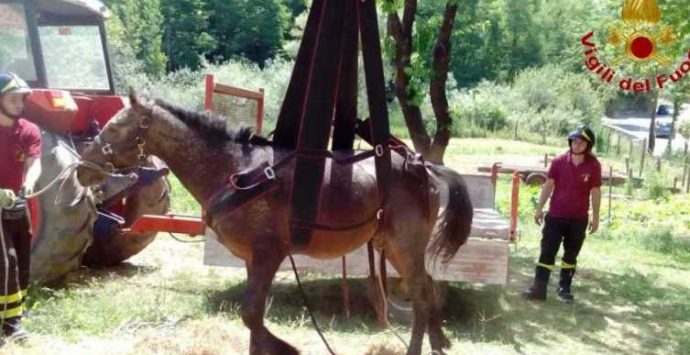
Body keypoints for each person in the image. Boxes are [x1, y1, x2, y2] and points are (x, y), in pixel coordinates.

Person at [522, 125, 601, 302]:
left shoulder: (593, 165)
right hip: (555, 216)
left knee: (571, 255)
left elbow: (595, 191)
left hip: (578, 219)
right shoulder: (558, 161)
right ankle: (539, 288)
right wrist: (539, 208)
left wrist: (596, 217)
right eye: (574, 140)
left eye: (581, 142)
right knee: (547, 251)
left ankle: (564, 289)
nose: (577, 144)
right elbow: (548, 185)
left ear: (588, 145)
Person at [0, 72, 41, 340]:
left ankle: (18, 310)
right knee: (7, 261)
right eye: (13, 98)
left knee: (24, 259)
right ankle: (11, 324)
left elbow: (34, 162)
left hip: (17, 203)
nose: (19, 103)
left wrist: (29, 183)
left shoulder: (29, 130)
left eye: (21, 98)